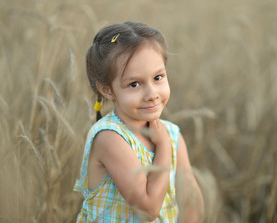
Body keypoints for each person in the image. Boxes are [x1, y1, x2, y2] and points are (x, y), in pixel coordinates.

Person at [74, 21, 204, 222]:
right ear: (107, 90)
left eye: (158, 77)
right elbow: (148, 209)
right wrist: (163, 147)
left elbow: (192, 203)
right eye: (134, 84)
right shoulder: (110, 137)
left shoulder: (172, 134)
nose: (152, 94)